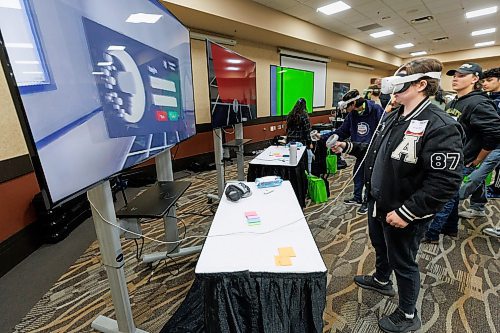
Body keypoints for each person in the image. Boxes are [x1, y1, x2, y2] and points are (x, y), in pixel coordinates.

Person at [332, 58, 464, 333]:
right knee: (381, 247)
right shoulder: (396, 114)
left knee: (403, 262)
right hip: (379, 201)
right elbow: (375, 149)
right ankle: (382, 280)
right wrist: (349, 146)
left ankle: (407, 313)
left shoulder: (440, 125)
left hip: (404, 210)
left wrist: (408, 212)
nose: (394, 83)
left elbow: (446, 182)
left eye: (403, 78)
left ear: (421, 84)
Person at [424, 63, 500, 243]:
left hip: (464, 159)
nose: (455, 78)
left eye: (462, 75)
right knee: (453, 195)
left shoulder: (479, 102)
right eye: (454, 75)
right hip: (451, 156)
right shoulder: (454, 101)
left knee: (445, 196)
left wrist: (479, 159)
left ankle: (432, 234)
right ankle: (450, 228)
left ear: (475, 79)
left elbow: (495, 131)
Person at [321, 89, 383, 214]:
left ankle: (366, 202)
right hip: (359, 150)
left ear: (353, 103)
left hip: (374, 151)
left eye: (346, 106)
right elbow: (342, 131)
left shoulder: (376, 110)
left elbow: (383, 132)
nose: (345, 110)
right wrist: (323, 137)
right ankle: (357, 197)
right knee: (358, 174)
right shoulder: (352, 115)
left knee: (369, 179)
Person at [457, 67, 500, 237]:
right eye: (484, 80)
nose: (485, 84)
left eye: (490, 80)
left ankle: (451, 200)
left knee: (473, 177)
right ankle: (478, 207)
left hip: (495, 146)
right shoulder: (487, 98)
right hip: (484, 145)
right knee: (480, 176)